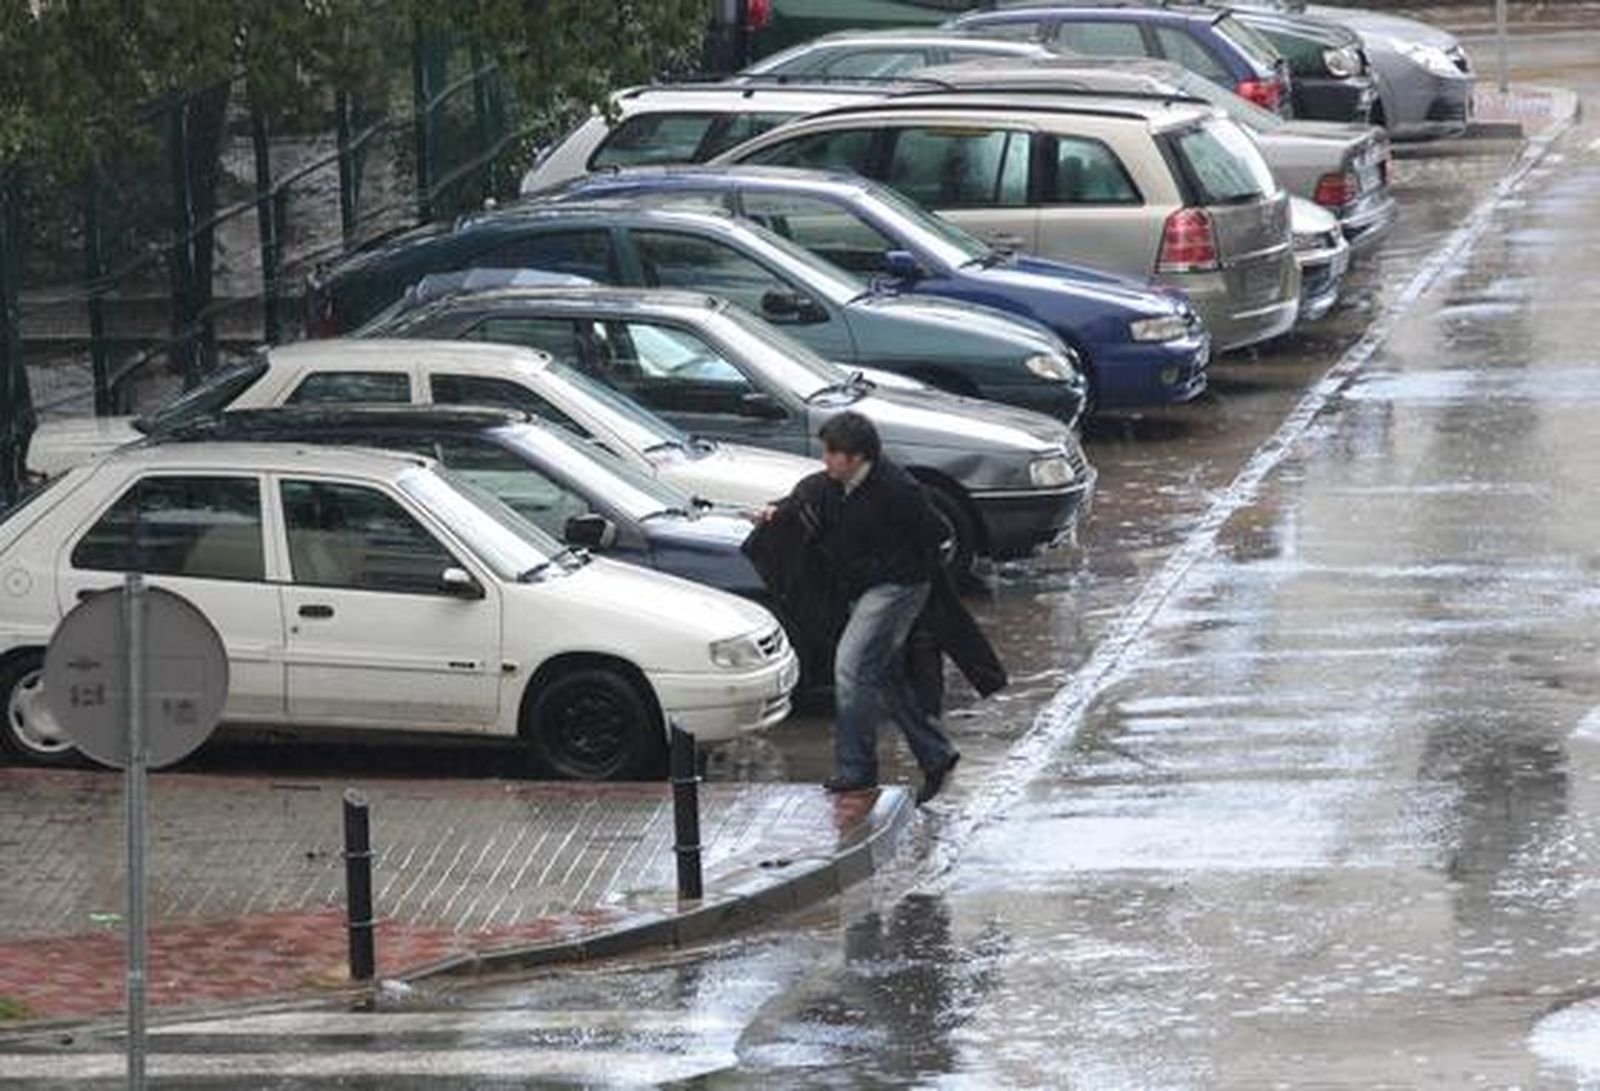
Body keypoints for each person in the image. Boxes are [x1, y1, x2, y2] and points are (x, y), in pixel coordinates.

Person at [746, 412, 1003, 805]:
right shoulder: (835, 484)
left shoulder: (899, 489)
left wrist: (891, 569)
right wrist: (776, 512)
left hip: (899, 586)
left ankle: (856, 770)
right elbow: (807, 496)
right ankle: (935, 755)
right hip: (869, 587)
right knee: (880, 672)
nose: (825, 460)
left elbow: (935, 535)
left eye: (832, 453)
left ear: (857, 457)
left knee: (849, 665)